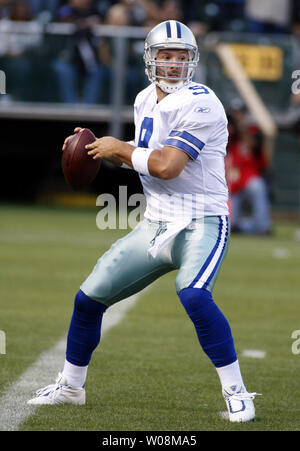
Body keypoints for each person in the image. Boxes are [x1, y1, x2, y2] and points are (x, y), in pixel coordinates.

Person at [27, 20, 260, 422]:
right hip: (155, 222)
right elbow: (145, 153)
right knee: (89, 299)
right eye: (165, 55)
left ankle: (238, 393)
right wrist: (97, 148)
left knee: (194, 295)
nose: (173, 64)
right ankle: (70, 387)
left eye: (181, 56)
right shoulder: (143, 100)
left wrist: (120, 148)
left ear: (193, 60)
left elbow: (167, 166)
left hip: (200, 222)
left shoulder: (201, 102)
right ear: (150, 59)